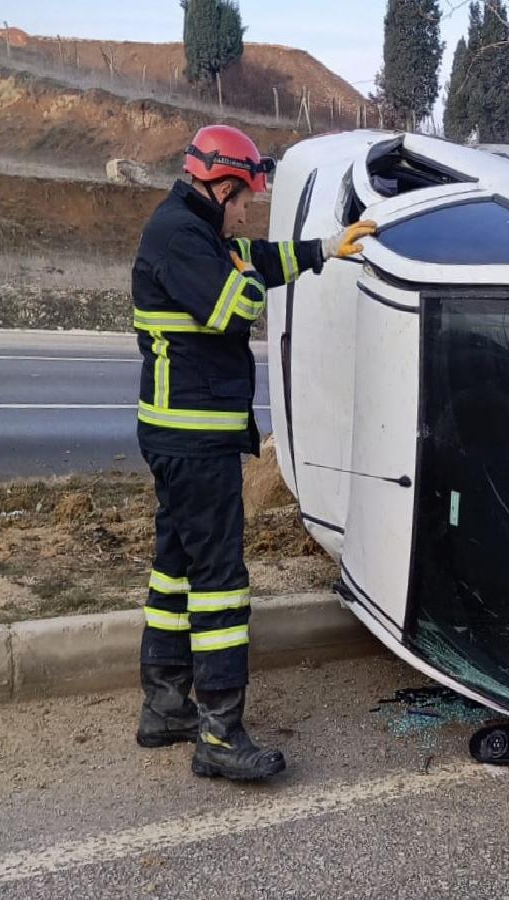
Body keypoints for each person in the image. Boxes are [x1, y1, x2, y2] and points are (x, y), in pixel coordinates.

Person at [131, 124, 374, 781]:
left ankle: (164, 707)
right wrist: (243, 270)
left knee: (174, 569)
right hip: (192, 438)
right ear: (220, 185)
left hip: (182, 434)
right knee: (218, 586)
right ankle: (219, 734)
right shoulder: (180, 237)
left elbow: (259, 261)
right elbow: (237, 306)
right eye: (244, 202)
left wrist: (330, 247)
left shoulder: (199, 231)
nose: (247, 215)